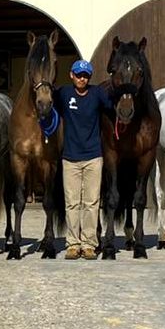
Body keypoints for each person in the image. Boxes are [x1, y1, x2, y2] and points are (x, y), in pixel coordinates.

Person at [54, 59, 114, 260]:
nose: (82, 78)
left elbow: (112, 110)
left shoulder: (97, 94)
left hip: (93, 157)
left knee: (91, 202)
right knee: (71, 203)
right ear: (71, 75)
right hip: (70, 158)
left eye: (85, 76)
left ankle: (89, 244)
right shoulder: (63, 94)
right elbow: (46, 109)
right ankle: (72, 243)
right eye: (78, 75)